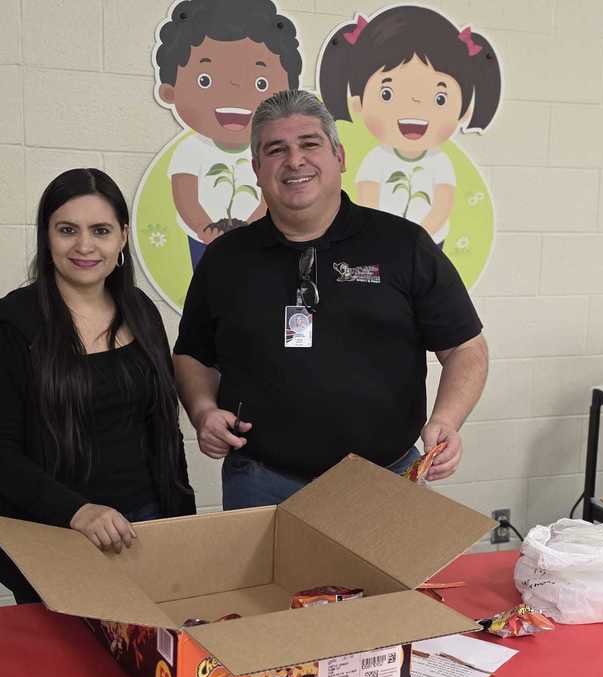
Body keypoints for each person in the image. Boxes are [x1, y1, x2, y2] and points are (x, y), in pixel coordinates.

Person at [173, 90, 488, 510]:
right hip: (261, 483)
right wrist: (202, 411)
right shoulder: (226, 259)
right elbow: (192, 355)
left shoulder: (402, 245)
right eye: (276, 149)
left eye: (309, 144)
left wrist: (446, 421)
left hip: (387, 478)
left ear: (339, 157)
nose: (295, 161)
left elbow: (466, 348)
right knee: (268, 582)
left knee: (388, 581)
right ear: (256, 169)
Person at [0, 168, 196, 604]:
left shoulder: (141, 312)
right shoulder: (10, 327)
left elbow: (164, 430)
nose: (85, 246)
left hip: (143, 531)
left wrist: (181, 527)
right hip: (53, 538)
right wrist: (77, 511)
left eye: (101, 230)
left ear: (123, 237)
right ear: (46, 235)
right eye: (67, 230)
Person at [318, 6, 500, 247]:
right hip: (383, 243)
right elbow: (367, 203)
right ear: (358, 103)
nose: (414, 105)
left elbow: (442, 207)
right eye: (387, 93)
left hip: (430, 243)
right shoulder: (376, 160)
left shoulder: (440, 162)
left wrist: (416, 240)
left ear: (463, 112)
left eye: (439, 98)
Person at [154, 0, 302, 269]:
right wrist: (203, 228)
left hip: (256, 238)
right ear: (170, 91)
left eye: (260, 82)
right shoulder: (192, 149)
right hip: (204, 239)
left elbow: (268, 197)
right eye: (205, 80)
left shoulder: (269, 151)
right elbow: (185, 195)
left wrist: (250, 226)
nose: (234, 90)